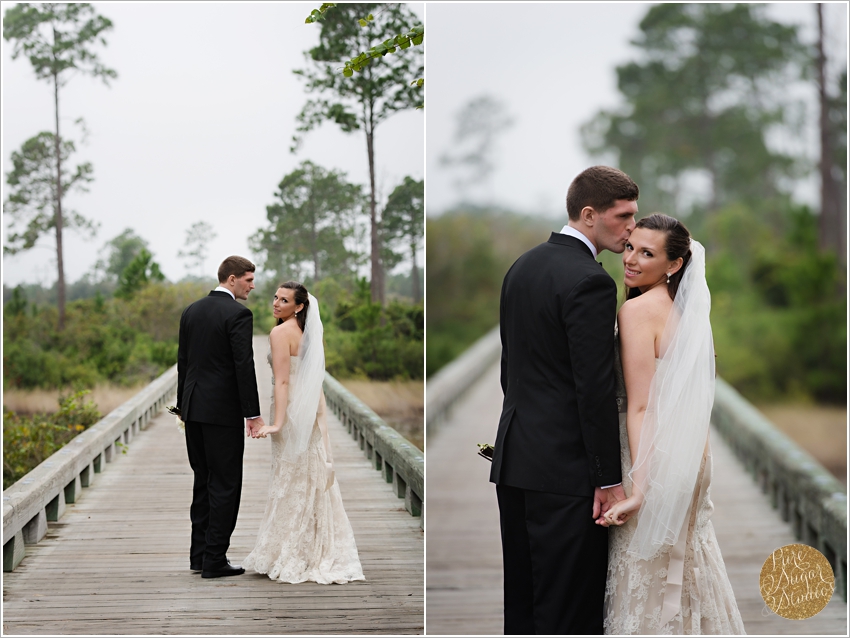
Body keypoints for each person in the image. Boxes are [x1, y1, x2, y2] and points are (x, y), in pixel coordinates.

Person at [490, 166, 638, 634]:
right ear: (590, 214)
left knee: (525, 601)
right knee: (569, 609)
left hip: (516, 460)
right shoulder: (591, 282)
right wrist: (607, 479)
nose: (632, 227)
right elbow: (592, 389)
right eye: (624, 216)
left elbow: (510, 370)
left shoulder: (523, 265)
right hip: (566, 472)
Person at [601, 214, 745, 634]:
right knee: (687, 563)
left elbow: (641, 407)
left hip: (653, 457)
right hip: (690, 457)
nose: (630, 259)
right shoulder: (689, 315)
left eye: (647, 253)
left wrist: (639, 490)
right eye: (630, 247)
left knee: (648, 571)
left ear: (674, 265)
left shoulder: (638, 311)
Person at [243, 281, 364, 585]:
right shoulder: (309, 334)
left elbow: (283, 382)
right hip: (310, 410)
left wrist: (277, 423)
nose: (275, 303)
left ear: (299, 306)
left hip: (291, 409)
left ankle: (295, 549)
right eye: (275, 297)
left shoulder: (279, 333)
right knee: (308, 474)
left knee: (291, 474)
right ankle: (313, 547)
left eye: (283, 300)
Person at [177, 256, 265, 578]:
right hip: (221, 413)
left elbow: (183, 364)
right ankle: (215, 559)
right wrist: (252, 414)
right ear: (231, 279)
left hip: (194, 411)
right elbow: (244, 365)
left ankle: (199, 556)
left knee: (203, 481)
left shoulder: (191, 310)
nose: (253, 286)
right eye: (248, 280)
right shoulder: (239, 314)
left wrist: (181, 408)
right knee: (226, 484)